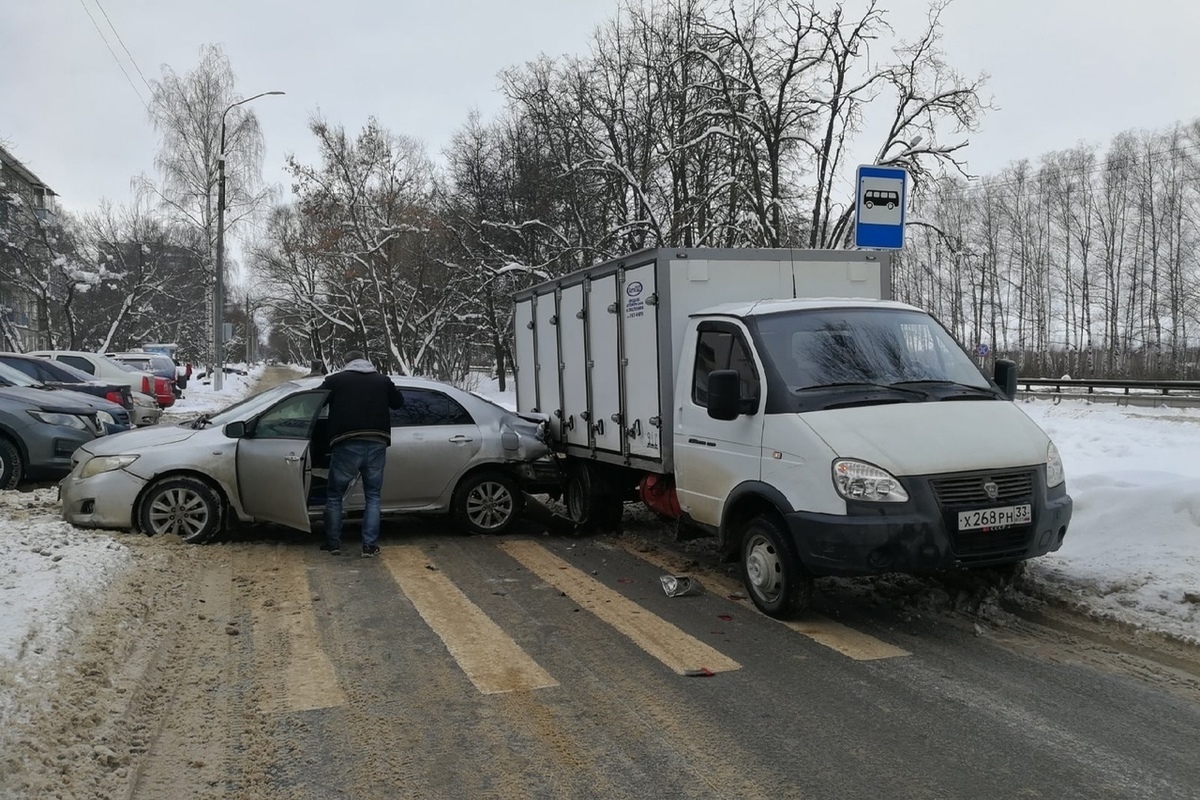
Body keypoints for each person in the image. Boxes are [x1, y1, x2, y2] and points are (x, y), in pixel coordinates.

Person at [317, 350, 404, 557]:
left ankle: (333, 543)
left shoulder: (336, 380)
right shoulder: (382, 381)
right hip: (377, 443)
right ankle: (369, 546)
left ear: (346, 362)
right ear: (366, 362)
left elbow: (315, 402)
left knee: (335, 494)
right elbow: (398, 403)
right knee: (373, 496)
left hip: (346, 442)